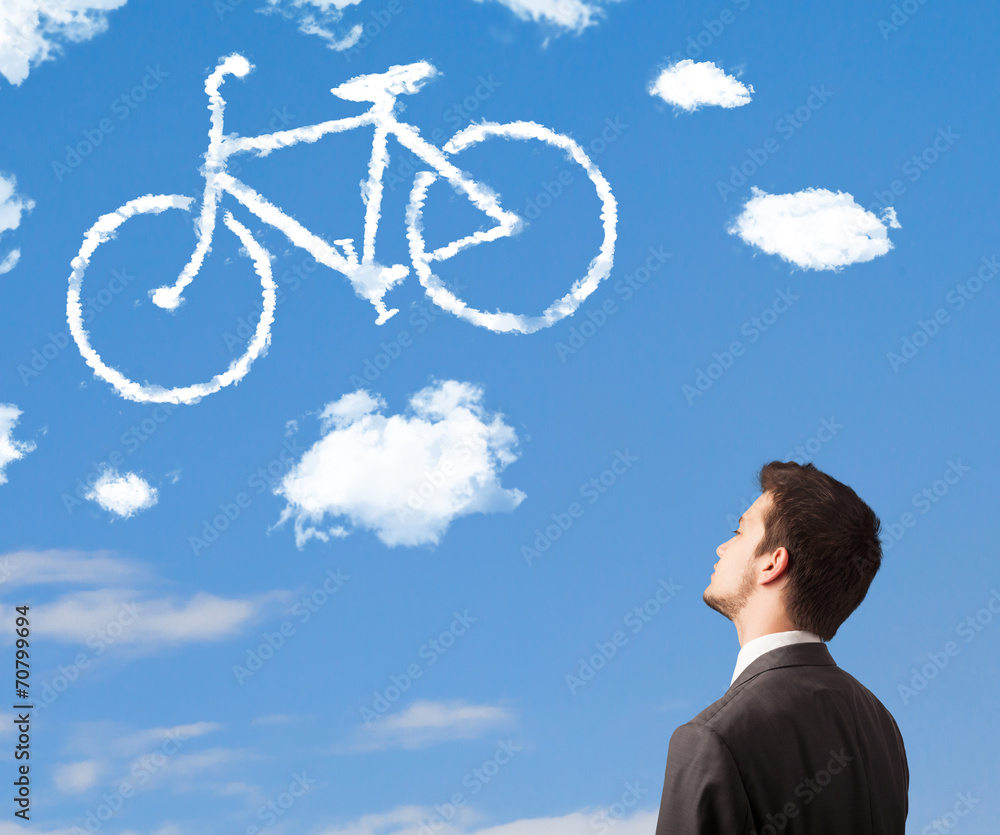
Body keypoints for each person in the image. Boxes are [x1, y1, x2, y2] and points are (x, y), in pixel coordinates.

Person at [654, 460, 908, 834]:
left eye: (739, 532)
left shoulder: (710, 738)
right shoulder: (882, 727)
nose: (722, 547)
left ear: (773, 564)